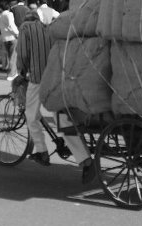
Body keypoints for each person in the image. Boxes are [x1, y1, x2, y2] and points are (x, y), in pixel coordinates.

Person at [14, 11, 95, 184]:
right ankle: (85, 159)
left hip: (37, 79)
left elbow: (22, 54)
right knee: (62, 118)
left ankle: (42, 151)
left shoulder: (25, 28)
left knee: (31, 116)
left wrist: (21, 72)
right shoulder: (54, 26)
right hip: (57, 78)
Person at [0, 1, 19, 80]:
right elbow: (11, 25)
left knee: (10, 57)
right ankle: (11, 74)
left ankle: (12, 72)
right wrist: (17, 33)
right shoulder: (9, 14)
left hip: (4, 38)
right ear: (8, 7)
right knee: (14, 56)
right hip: (12, 37)